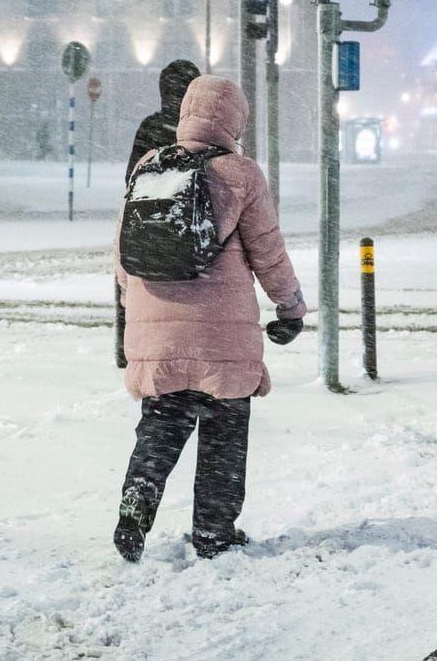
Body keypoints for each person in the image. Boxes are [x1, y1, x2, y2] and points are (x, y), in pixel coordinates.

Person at [113, 75, 306, 561]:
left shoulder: (150, 167)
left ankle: (138, 496)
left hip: (156, 326)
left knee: (162, 422)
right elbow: (269, 253)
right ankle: (214, 531)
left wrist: (135, 308)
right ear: (234, 121)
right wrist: (290, 307)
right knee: (224, 431)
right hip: (222, 332)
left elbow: (122, 253)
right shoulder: (241, 175)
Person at [117, 60, 201, 367]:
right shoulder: (201, 133)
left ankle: (132, 351)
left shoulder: (151, 128)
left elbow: (130, 180)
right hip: (189, 236)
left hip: (147, 235)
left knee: (142, 296)